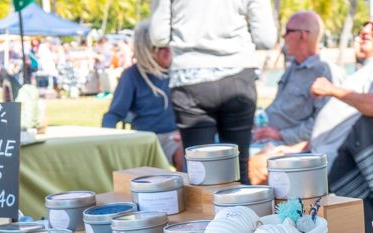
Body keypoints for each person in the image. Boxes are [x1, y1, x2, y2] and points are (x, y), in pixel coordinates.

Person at [150, 0, 277, 183]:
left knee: (200, 174)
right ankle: (245, 212)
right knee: (239, 169)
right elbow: (265, 38)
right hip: (237, 75)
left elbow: (158, 36)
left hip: (190, 78)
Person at [308, 6, 373, 169]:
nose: (364, 30)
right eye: (366, 24)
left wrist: (331, 89)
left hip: (334, 168)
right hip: (320, 158)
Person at [102, 21, 183, 170]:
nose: (168, 51)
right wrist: (109, 142)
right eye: (160, 48)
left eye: (169, 46)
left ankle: (187, 192)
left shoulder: (178, 72)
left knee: (187, 156)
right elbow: (113, 115)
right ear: (146, 49)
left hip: (174, 137)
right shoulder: (132, 75)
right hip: (145, 138)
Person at [254, 11, 334, 146]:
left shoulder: (325, 72)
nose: (283, 36)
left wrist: (281, 135)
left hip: (283, 146)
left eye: (288, 31)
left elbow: (324, 123)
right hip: (262, 135)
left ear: (302, 35)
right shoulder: (294, 66)